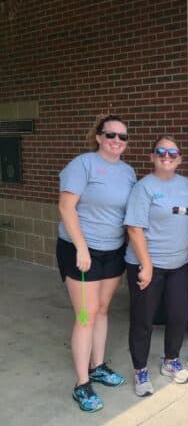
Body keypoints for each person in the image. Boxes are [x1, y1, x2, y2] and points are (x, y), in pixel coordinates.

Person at [57, 115, 137, 412]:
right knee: (85, 314)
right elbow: (66, 206)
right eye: (111, 135)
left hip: (112, 250)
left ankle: (98, 365)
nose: (117, 141)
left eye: (123, 137)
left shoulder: (129, 172)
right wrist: (81, 247)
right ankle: (81, 383)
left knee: (102, 309)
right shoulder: (83, 164)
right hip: (80, 250)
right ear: (99, 137)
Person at [124, 136, 188, 397]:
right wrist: (146, 265)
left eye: (172, 153)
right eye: (161, 151)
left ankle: (171, 361)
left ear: (180, 158)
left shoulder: (186, 185)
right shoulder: (143, 187)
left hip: (179, 263)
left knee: (178, 315)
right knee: (143, 320)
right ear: (152, 156)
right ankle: (140, 369)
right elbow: (134, 227)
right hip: (148, 264)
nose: (166, 156)